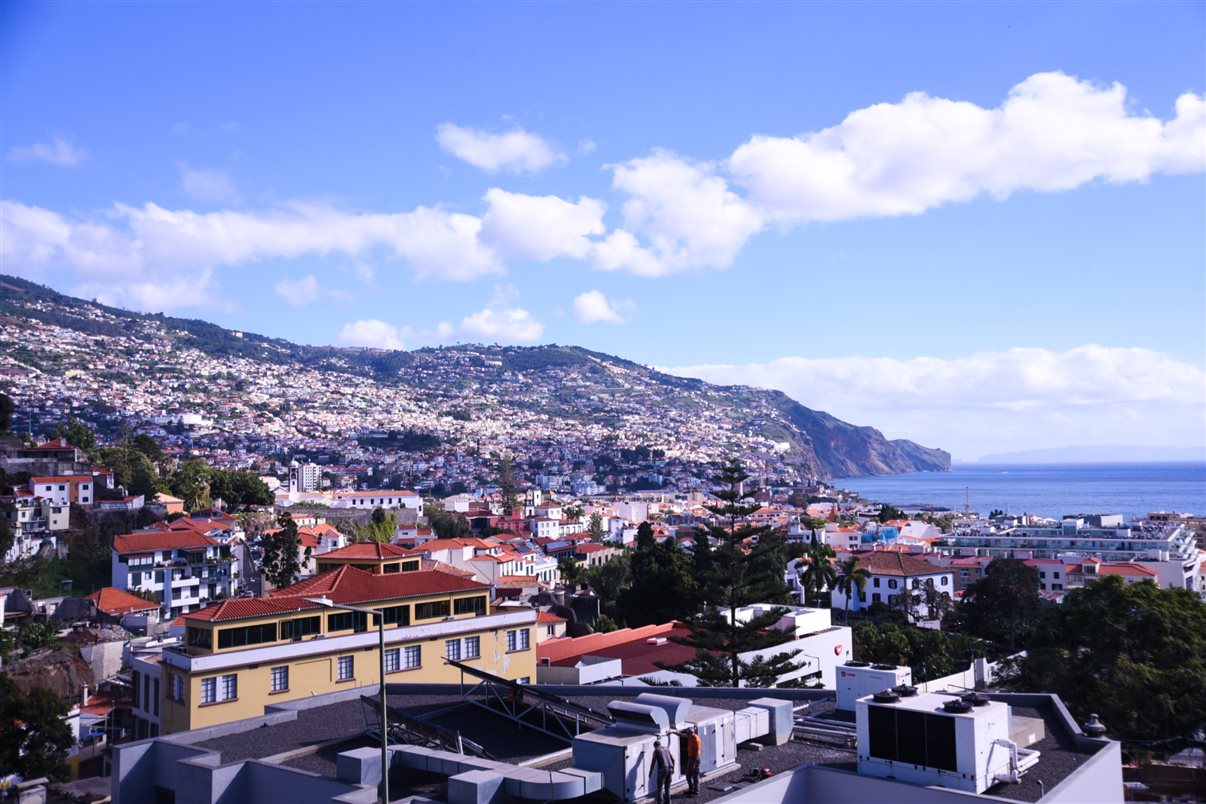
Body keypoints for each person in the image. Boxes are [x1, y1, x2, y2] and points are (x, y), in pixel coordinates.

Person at [649, 738, 675, 804]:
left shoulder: (656, 751)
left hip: (663, 770)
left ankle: (660, 802)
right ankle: (668, 802)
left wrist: (650, 772)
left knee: (660, 787)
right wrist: (673, 769)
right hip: (670, 768)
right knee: (668, 787)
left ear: (655, 746)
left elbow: (653, 762)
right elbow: (673, 759)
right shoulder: (667, 749)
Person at [681, 725, 702, 795]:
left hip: (695, 759)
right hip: (691, 758)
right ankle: (692, 789)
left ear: (692, 732)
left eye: (688, 733)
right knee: (688, 775)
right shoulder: (690, 736)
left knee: (695, 775)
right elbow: (682, 735)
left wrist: (693, 764)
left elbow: (697, 753)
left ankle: (696, 791)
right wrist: (673, 732)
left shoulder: (696, 739)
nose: (686, 734)